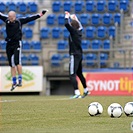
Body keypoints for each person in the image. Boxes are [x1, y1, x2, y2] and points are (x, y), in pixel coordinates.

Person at [0, 9, 48, 91]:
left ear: (14, 17)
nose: (9, 18)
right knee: (11, 64)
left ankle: (20, 79)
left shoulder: (19, 21)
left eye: (11, 17)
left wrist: (40, 14)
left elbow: (30, 18)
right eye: (8, 17)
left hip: (17, 44)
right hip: (9, 44)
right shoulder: (7, 20)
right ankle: (14, 82)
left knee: (17, 61)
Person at [64, 11, 90, 99]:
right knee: (79, 73)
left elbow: (66, 24)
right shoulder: (79, 31)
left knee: (72, 74)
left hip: (74, 55)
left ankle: (77, 92)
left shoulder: (74, 32)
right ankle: (86, 90)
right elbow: (80, 26)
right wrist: (75, 18)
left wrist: (67, 16)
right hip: (79, 54)